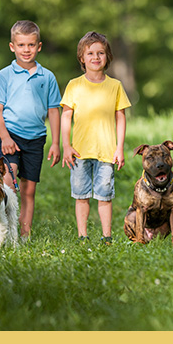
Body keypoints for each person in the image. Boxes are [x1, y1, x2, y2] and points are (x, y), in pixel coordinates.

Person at [0, 20, 61, 241]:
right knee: (8, 187)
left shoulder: (47, 77)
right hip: (11, 135)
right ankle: (5, 233)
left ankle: (24, 235)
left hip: (36, 138)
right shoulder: (4, 75)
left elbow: (54, 111)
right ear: (12, 47)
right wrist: (5, 137)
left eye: (31, 45)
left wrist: (56, 143)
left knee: (29, 191)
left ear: (39, 46)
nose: (26, 50)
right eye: (21, 45)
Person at [60, 31, 131, 245]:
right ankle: (82, 236)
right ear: (82, 58)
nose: (95, 57)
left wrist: (119, 148)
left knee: (104, 195)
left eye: (100, 52)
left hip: (107, 151)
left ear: (107, 57)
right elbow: (66, 115)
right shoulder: (74, 85)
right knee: (81, 195)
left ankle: (106, 236)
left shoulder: (115, 86)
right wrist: (66, 146)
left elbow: (121, 117)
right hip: (80, 151)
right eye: (90, 53)